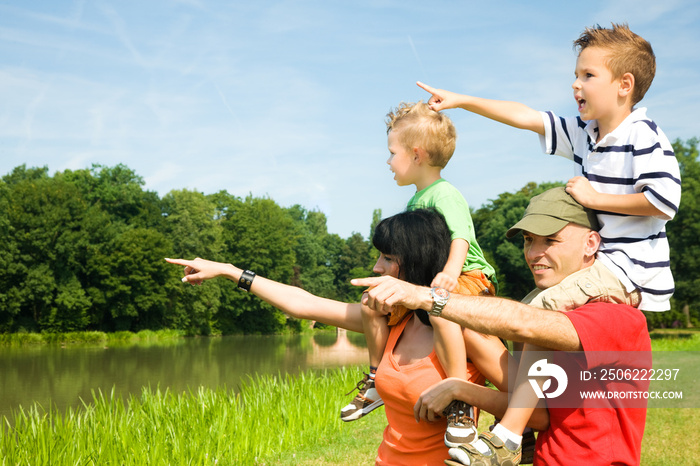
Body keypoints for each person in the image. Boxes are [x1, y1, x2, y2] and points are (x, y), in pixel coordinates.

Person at [416, 22, 680, 456]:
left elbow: (664, 199)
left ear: (624, 85)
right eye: (575, 75)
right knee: (530, 315)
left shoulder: (642, 135)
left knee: (536, 313)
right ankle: (524, 416)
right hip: (604, 261)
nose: (576, 85)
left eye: (588, 76)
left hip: (626, 267)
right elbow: (527, 116)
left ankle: (510, 431)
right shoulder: (588, 134)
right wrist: (462, 101)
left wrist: (597, 197)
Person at [166, 209, 511, 466]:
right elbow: (305, 304)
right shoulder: (391, 320)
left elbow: (534, 411)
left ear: (416, 261)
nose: (376, 267)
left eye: (387, 258)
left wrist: (462, 390)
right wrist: (230, 271)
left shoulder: (466, 329)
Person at [353, 188, 652, 466]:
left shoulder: (615, 317)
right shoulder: (545, 316)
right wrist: (462, 389)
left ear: (591, 244)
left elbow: (523, 323)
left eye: (550, 240)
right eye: (528, 240)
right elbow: (542, 413)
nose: (534, 254)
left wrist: (424, 296)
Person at [343, 101, 497, 450]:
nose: (387, 161)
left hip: (467, 275)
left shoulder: (445, 194)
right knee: (370, 304)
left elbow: (460, 238)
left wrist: (447, 276)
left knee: (440, 311)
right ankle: (374, 378)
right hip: (429, 280)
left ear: (416, 155)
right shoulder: (416, 201)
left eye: (391, 152)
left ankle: (459, 401)